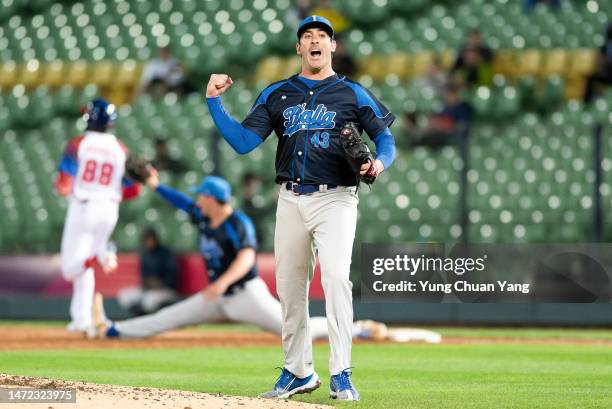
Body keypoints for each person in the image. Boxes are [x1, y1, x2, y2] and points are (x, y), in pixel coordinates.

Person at [204, 15, 396, 401]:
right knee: (290, 288)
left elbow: (385, 139)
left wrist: (378, 163)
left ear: (332, 47)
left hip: (336, 198)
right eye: (307, 36)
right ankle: (297, 372)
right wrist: (214, 102)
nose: (314, 40)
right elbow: (243, 142)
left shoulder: (352, 92)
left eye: (322, 36)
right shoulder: (278, 93)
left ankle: (341, 372)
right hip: (290, 197)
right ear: (298, 48)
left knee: (336, 278)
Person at [92, 173, 388, 349]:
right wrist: (156, 186)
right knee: (168, 318)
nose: (198, 201)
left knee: (297, 331)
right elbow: (182, 203)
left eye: (202, 197)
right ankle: (115, 329)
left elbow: (247, 259)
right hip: (217, 296)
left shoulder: (238, 223)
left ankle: (357, 329)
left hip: (246, 294)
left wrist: (220, 284)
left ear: (213, 198)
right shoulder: (205, 217)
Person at [54, 98, 141, 333]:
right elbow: (133, 189)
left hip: (84, 206)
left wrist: (65, 188)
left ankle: (102, 255)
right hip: (110, 208)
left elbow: (63, 184)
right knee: (84, 269)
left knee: (71, 268)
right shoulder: (120, 148)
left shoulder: (78, 144)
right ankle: (82, 319)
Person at [116, 227, 180, 316]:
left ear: (156, 239)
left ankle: (149, 318)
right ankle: (139, 317)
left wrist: (160, 283)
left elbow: (172, 277)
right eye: (147, 239)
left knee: (149, 301)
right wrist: (148, 283)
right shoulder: (145, 254)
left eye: (151, 239)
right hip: (148, 290)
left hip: (166, 289)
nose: (149, 242)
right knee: (125, 295)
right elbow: (143, 277)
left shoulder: (166, 253)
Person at [410, 84, 473, 149]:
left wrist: (445, 127)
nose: (449, 97)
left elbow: (461, 126)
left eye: (452, 94)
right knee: (418, 139)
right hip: (439, 132)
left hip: (451, 134)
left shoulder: (463, 108)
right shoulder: (445, 107)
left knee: (434, 139)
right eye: (448, 94)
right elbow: (437, 119)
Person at [241, 172, 275, 250]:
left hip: (257, 239)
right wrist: (273, 202)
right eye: (255, 183)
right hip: (250, 240)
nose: (258, 186)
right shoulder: (244, 203)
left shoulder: (253, 200)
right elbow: (260, 214)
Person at [584, 23, 612, 103]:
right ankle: (588, 103)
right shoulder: (605, 47)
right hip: (608, 74)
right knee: (590, 78)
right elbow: (601, 62)